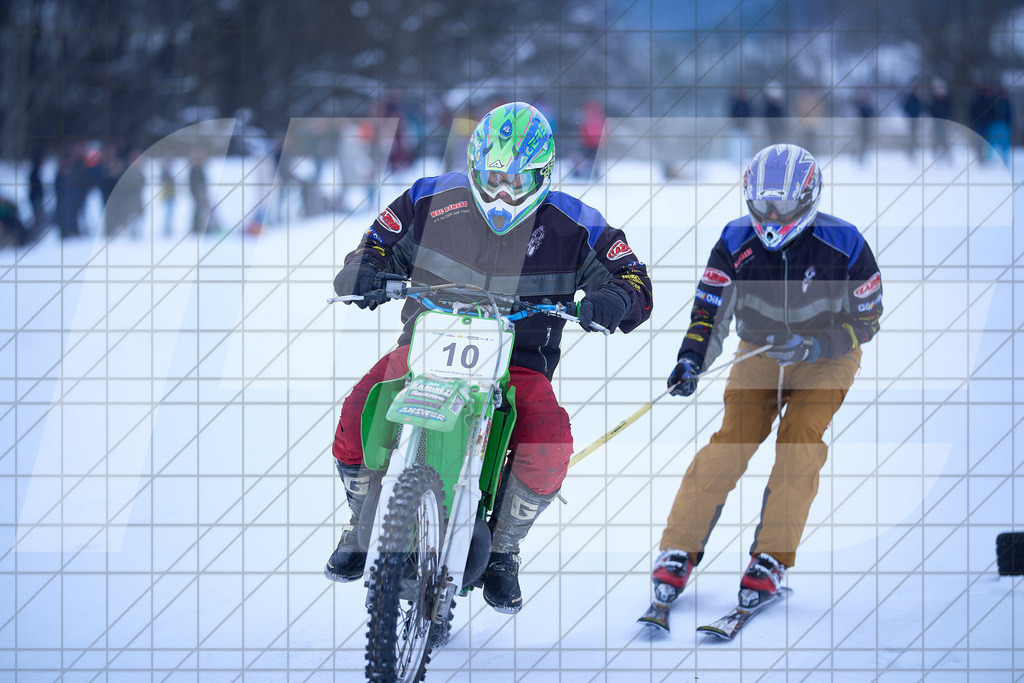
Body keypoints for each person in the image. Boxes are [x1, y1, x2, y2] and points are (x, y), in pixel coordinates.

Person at [326, 102, 653, 614]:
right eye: (495, 176)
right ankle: (363, 521)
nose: (504, 192)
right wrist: (362, 271)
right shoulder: (427, 200)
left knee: (549, 438)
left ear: (543, 176)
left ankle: (502, 548)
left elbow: (632, 279)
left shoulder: (575, 225)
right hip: (423, 348)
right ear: (475, 166)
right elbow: (374, 244)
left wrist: (613, 300)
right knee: (356, 412)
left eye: (519, 181)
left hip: (518, 361)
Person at [652, 144, 882, 611]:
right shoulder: (735, 242)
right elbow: (709, 312)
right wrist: (691, 360)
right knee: (732, 440)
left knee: (799, 440)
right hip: (758, 351)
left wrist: (816, 346)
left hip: (827, 356)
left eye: (783, 205)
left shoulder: (846, 244)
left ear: (808, 198)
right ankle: (679, 547)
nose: (772, 215)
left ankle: (771, 556)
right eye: (762, 204)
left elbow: (867, 321)